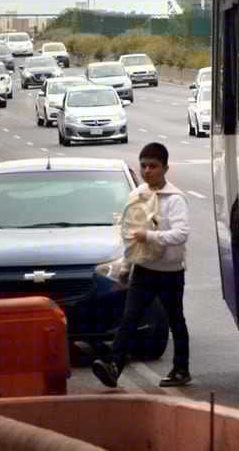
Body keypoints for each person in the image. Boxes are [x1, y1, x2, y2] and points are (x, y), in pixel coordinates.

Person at [92, 142, 192, 388]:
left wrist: (150, 236)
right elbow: (129, 236)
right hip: (143, 270)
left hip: (170, 272)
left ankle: (181, 369)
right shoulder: (137, 195)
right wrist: (126, 268)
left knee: (175, 319)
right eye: (144, 166)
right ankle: (114, 366)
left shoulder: (174, 199)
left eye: (153, 166)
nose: (147, 171)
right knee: (129, 318)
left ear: (165, 168)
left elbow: (181, 234)